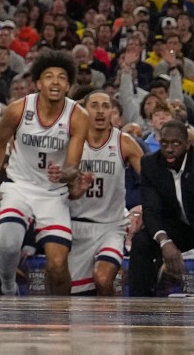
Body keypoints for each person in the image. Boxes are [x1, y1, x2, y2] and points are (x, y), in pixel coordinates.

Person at [0, 54, 79, 295]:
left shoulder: (78, 116)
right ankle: (8, 285)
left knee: (58, 264)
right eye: (49, 77)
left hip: (53, 193)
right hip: (19, 185)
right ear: (38, 83)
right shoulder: (18, 109)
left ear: (68, 85)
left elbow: (73, 167)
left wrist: (64, 173)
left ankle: (61, 313)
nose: (55, 82)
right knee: (8, 244)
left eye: (61, 78)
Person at [127, 119, 194, 297]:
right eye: (164, 143)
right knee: (141, 242)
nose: (169, 149)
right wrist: (164, 241)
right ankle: (139, 302)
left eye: (176, 143)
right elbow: (151, 210)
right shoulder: (150, 164)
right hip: (175, 225)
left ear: (187, 144)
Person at [62, 89, 143, 295]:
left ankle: (111, 315)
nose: (100, 111)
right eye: (94, 106)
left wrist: (144, 208)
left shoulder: (124, 142)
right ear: (84, 111)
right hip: (76, 226)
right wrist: (73, 189)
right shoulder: (69, 142)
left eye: (106, 106)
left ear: (112, 112)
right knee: (75, 297)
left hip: (111, 226)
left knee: (103, 278)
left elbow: (152, 180)